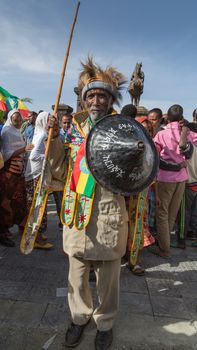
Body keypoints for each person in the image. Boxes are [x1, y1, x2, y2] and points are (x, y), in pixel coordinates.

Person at [48, 57, 128, 350]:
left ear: (110, 100)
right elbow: (57, 168)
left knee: (108, 279)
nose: (96, 100)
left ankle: (105, 323)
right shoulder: (72, 132)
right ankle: (79, 318)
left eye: (102, 95)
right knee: (77, 274)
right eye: (91, 95)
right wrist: (54, 137)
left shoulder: (122, 130)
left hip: (108, 212)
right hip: (77, 213)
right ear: (84, 100)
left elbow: (136, 170)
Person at [152, 104, 197, 258]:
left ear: (167, 117)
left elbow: (155, 156)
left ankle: (164, 249)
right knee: (172, 213)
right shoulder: (187, 132)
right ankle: (164, 243)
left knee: (162, 214)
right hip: (182, 178)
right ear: (182, 117)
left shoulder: (160, 135)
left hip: (165, 178)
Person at [0, 109, 33, 247]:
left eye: (20, 120)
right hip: (9, 173)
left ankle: (14, 228)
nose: (19, 122)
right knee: (5, 203)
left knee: (18, 202)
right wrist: (23, 150)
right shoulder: (7, 132)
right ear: (10, 119)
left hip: (19, 173)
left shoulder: (17, 132)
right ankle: (3, 231)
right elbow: (6, 154)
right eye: (16, 120)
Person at [25, 111, 53, 249]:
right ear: (43, 121)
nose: (51, 122)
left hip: (37, 175)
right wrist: (45, 157)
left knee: (39, 205)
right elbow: (33, 156)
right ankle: (37, 238)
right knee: (38, 206)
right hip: (35, 176)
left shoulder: (42, 133)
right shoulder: (41, 134)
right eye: (48, 120)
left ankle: (37, 235)